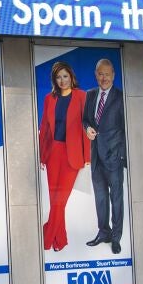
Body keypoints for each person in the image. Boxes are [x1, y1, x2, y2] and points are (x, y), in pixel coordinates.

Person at [38, 61, 89, 252]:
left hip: (73, 154)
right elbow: (44, 127)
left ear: (71, 77)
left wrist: (87, 155)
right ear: (55, 79)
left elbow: (86, 126)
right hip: (53, 153)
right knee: (54, 199)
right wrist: (42, 156)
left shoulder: (82, 96)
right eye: (59, 77)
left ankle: (47, 236)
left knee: (61, 200)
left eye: (65, 76)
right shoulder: (49, 98)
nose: (62, 80)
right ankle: (61, 240)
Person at [82, 58, 127, 255]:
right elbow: (85, 119)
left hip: (114, 156)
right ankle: (104, 232)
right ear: (96, 75)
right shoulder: (90, 95)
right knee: (100, 198)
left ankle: (116, 238)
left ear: (113, 76)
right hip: (96, 157)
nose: (104, 78)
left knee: (116, 199)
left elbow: (126, 128)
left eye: (107, 74)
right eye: (100, 74)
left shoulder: (121, 97)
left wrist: (123, 157)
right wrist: (87, 129)